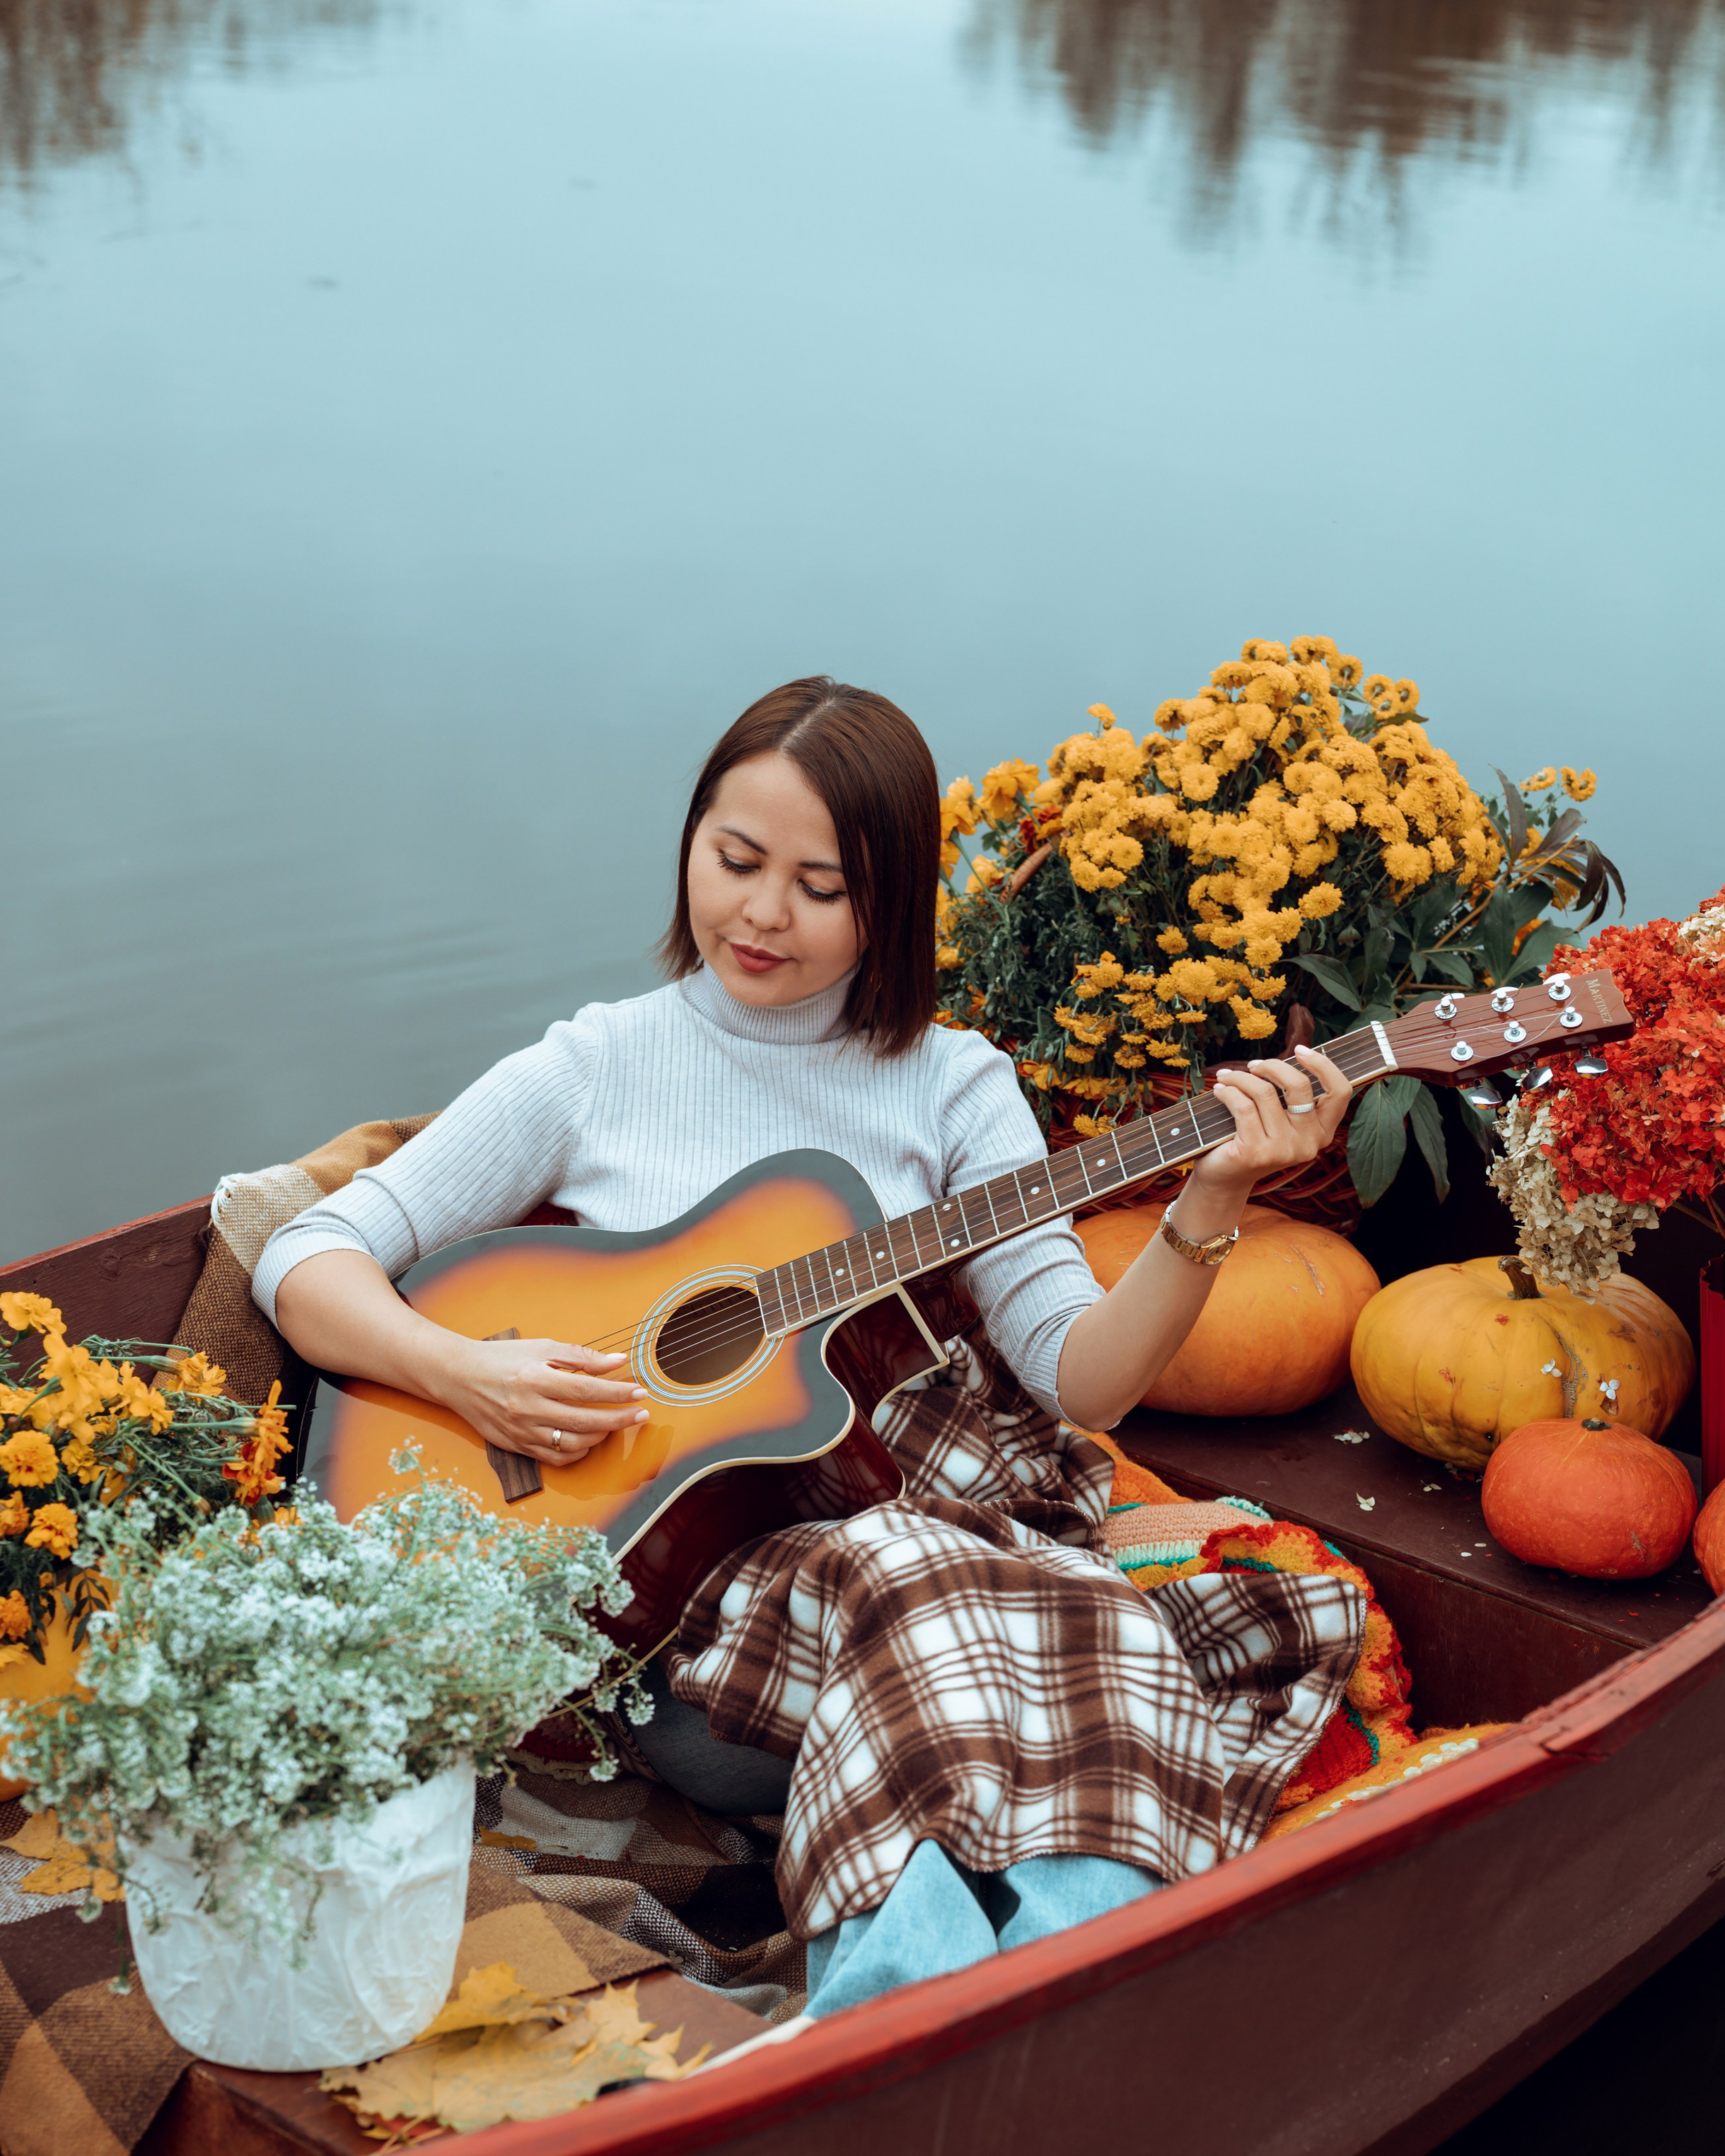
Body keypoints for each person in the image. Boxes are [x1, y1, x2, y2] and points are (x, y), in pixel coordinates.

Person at [259, 677, 1363, 2021]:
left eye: (820, 885)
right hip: (671, 1633)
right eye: (734, 861)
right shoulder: (595, 1065)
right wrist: (464, 1373)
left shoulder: (957, 1085)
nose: (762, 913)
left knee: (988, 1595)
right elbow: (307, 1255)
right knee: (958, 1602)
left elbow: (1086, 1382)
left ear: (890, 903)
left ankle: (1007, 2008)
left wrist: (1214, 1198)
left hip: (916, 1567)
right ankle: (962, 2037)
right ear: (690, 847)